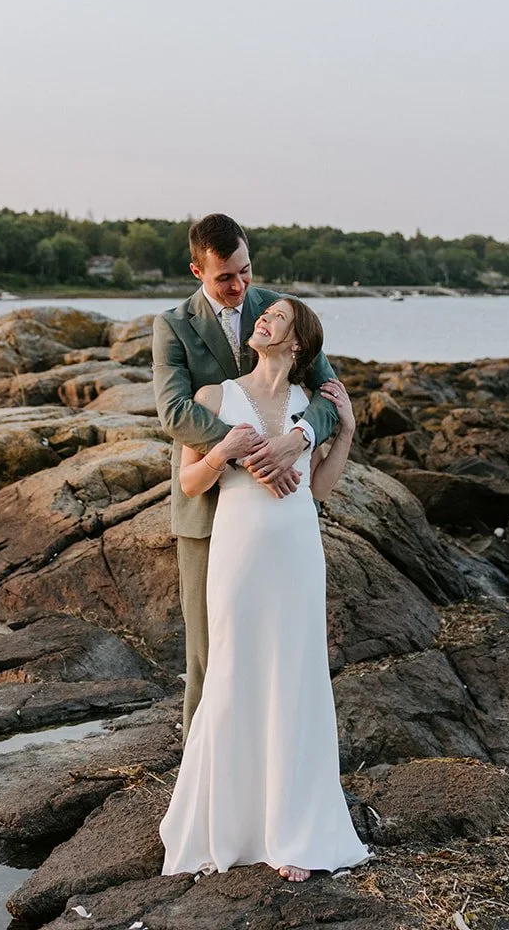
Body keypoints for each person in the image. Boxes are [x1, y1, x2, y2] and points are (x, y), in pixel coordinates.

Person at [158, 293, 369, 881]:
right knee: (233, 669)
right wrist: (223, 449)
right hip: (239, 551)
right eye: (263, 312)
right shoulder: (213, 398)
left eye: (276, 315)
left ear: (296, 341)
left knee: (295, 676)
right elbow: (192, 481)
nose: (262, 317)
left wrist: (345, 429)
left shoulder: (309, 406)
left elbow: (320, 488)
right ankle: (228, 823)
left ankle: (293, 830)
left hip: (298, 550)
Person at [153, 214, 341, 738]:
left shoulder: (279, 312)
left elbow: (330, 397)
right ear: (197, 270)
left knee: (277, 650)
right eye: (225, 278)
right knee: (210, 655)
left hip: (276, 512)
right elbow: (174, 414)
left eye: (245, 271)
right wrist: (250, 453)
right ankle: (200, 780)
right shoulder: (172, 326)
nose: (239, 287)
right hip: (207, 505)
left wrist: (299, 439)